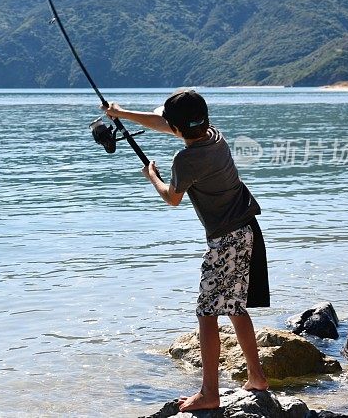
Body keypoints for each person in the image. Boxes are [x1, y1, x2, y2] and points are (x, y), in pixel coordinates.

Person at [103, 89, 270, 412]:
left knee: (207, 313)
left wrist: (151, 176)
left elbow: (172, 197)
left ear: (178, 129)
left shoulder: (186, 160)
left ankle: (210, 393)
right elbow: (169, 126)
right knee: (235, 307)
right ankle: (257, 377)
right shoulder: (214, 137)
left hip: (225, 241)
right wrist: (121, 113)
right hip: (247, 230)